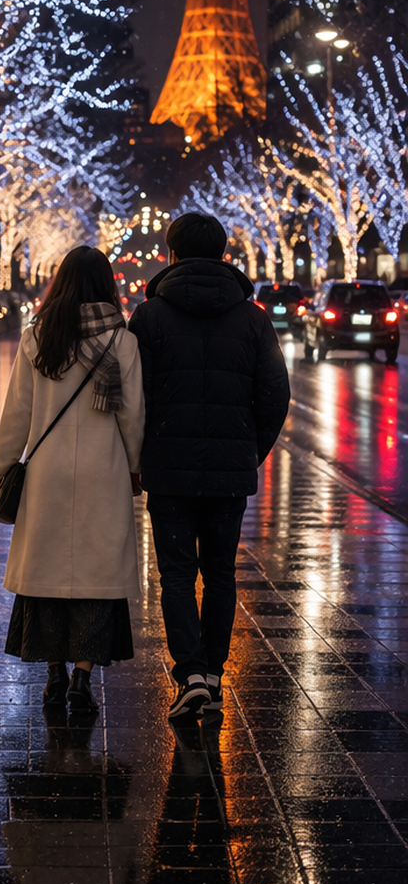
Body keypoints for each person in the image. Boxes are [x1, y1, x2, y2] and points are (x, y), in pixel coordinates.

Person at [128, 211, 290, 722]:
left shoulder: (149, 317)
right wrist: (248, 450)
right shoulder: (254, 319)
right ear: (224, 253)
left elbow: (135, 397)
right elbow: (275, 395)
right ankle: (215, 675)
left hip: (168, 469)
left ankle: (191, 674)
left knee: (176, 575)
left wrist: (139, 455)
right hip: (228, 472)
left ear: (172, 254)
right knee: (220, 572)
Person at [0, 245, 144, 712]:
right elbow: (132, 415)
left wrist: (3, 465)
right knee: (97, 579)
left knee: (47, 578)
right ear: (106, 284)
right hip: (104, 472)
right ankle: (82, 676)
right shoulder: (121, 341)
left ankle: (53, 672)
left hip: (46, 475)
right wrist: (135, 467)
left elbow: (17, 411)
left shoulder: (40, 338)